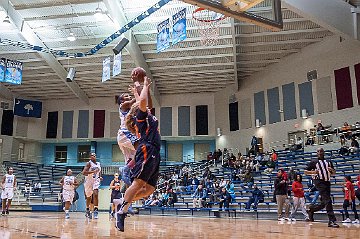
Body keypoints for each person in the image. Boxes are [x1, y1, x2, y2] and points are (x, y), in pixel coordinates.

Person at [115, 76, 161, 232]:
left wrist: (137, 88)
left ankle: (123, 201)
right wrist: (145, 86)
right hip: (146, 149)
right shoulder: (140, 118)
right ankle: (122, 211)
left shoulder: (146, 114)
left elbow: (140, 102)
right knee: (138, 184)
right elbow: (141, 103)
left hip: (155, 151)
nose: (146, 107)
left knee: (148, 190)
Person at [305, 147, 339, 228]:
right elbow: (305, 172)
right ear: (317, 153)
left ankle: (311, 210)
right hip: (319, 182)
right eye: (318, 151)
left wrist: (332, 170)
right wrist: (314, 172)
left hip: (327, 182)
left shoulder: (328, 162)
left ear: (324, 152)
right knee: (328, 200)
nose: (320, 152)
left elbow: (334, 173)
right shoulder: (313, 162)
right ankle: (331, 220)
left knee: (324, 203)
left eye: (321, 151)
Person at [82, 152, 102, 219]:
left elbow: (99, 171)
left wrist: (100, 177)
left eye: (94, 155)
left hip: (96, 180)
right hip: (88, 181)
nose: (93, 156)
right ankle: (87, 209)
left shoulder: (98, 164)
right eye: (91, 155)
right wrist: (92, 172)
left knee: (95, 193)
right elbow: (84, 173)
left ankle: (96, 210)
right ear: (90, 157)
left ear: (95, 156)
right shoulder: (89, 163)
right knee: (89, 197)